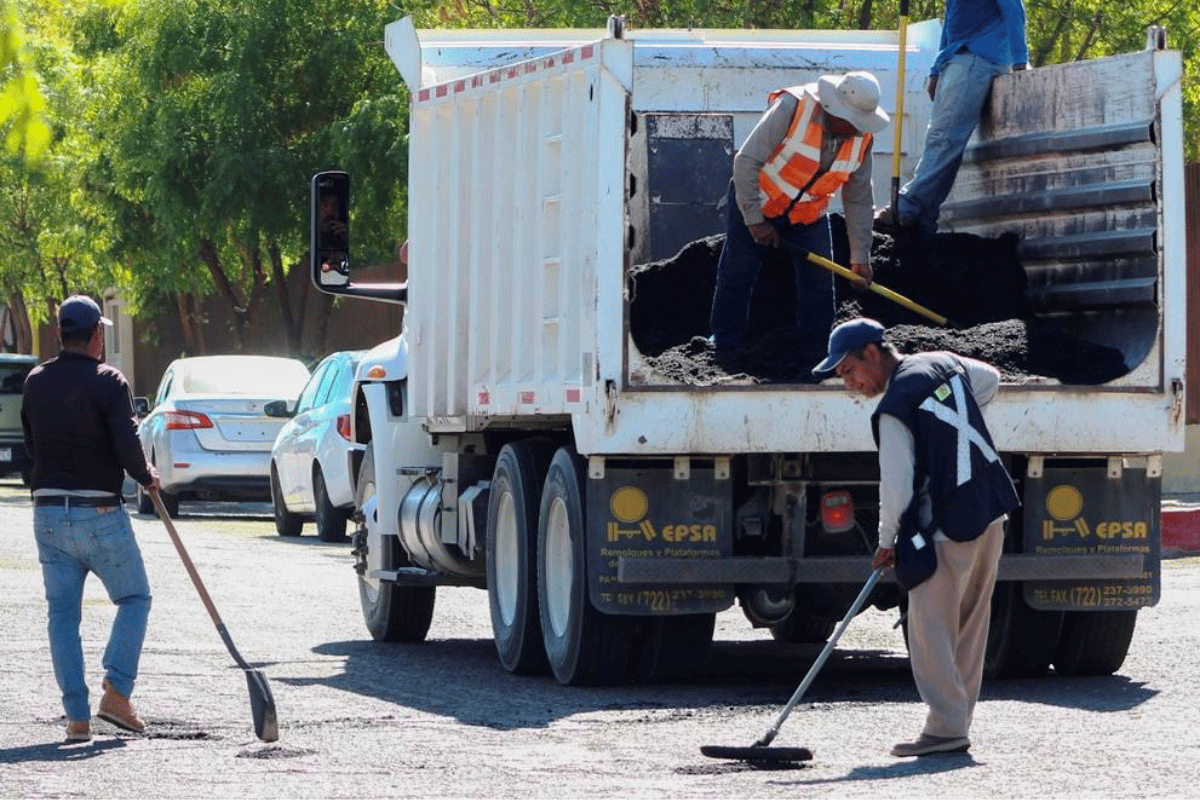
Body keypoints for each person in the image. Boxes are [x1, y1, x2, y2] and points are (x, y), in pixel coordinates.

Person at [813, 318, 1020, 757]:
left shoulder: (893, 409)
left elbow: (897, 485)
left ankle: (945, 729)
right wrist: (944, 433)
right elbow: (990, 380)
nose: (850, 383)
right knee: (969, 627)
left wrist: (886, 541)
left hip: (947, 526)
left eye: (849, 371)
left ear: (872, 353)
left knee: (930, 629)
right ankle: (956, 725)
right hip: (991, 512)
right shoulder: (942, 364)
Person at [22, 295, 161, 742]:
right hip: (99, 513)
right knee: (134, 598)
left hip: (47, 513)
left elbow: (31, 444)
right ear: (97, 335)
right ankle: (117, 691)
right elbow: (127, 441)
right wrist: (146, 476)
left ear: (61, 334)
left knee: (63, 616)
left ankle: (77, 719)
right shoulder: (109, 381)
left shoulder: (36, 381)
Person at [708, 71, 888, 350]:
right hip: (758, 197)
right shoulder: (792, 107)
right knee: (738, 271)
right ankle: (724, 342)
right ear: (833, 108)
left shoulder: (862, 139)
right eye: (852, 122)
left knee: (818, 282)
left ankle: (817, 349)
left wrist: (860, 256)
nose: (857, 129)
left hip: (808, 214)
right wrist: (755, 220)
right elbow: (746, 161)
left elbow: (860, 198)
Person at [875, 0, 1028, 237]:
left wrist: (1020, 62)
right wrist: (937, 68)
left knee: (944, 140)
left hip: (979, 57)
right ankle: (924, 220)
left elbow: (1014, 11)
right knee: (941, 140)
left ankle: (906, 206)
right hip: (957, 57)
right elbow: (950, 24)